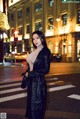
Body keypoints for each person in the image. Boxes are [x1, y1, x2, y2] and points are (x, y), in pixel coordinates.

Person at [22, 30, 51, 119]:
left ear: (42, 38)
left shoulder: (45, 51)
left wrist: (29, 74)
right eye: (33, 39)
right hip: (31, 82)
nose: (35, 40)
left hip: (38, 83)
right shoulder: (35, 50)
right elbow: (30, 65)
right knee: (31, 108)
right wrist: (26, 75)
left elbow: (46, 70)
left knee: (36, 109)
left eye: (37, 38)